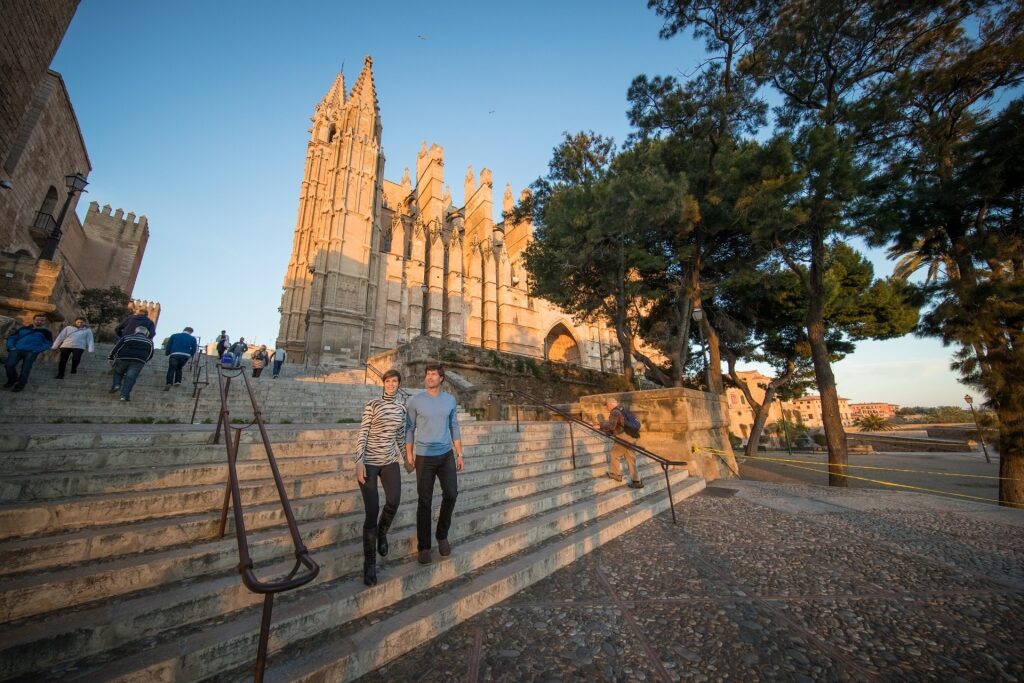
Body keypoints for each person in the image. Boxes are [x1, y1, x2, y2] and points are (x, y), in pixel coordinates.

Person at [405, 364, 464, 565]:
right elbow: (409, 429)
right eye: (427, 374)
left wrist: (460, 453)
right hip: (423, 456)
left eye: (433, 375)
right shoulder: (415, 401)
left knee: (451, 494)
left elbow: (454, 426)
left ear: (441, 379)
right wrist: (409, 454)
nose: (429, 377)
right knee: (424, 501)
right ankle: (424, 547)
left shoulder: (449, 400)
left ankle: (442, 534)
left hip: (446, 454)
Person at [355, 369, 407, 586]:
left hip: (389, 460)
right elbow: (363, 432)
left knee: (394, 501)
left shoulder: (402, 409)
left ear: (398, 384)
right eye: (388, 381)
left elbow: (400, 436)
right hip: (368, 461)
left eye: (395, 381)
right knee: (371, 511)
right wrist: (358, 460)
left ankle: (382, 532)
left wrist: (407, 459)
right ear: (383, 383)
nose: (391, 384)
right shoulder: (373, 404)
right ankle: (369, 564)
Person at [598, 398, 643, 489]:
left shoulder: (614, 412)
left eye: (606, 406)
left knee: (614, 454)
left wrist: (600, 426)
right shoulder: (622, 410)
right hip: (631, 437)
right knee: (630, 458)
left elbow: (612, 426)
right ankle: (636, 480)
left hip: (623, 437)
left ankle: (616, 474)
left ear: (610, 405)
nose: (606, 408)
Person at [3, 314, 53, 392]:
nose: (39, 321)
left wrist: (37, 350)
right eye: (38, 320)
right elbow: (13, 337)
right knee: (8, 365)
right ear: (34, 320)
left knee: (25, 369)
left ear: (44, 321)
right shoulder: (23, 328)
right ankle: (12, 379)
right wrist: (11, 347)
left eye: (42, 320)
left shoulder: (46, 332)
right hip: (17, 349)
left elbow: (48, 343)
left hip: (32, 352)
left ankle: (20, 385)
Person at [108, 326, 154, 401]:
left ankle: (116, 384)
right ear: (146, 333)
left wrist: (111, 357)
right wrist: (144, 360)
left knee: (118, 372)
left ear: (136, 331)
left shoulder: (127, 337)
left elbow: (117, 347)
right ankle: (124, 396)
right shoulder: (149, 341)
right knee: (130, 378)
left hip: (123, 358)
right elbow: (151, 353)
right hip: (138, 361)